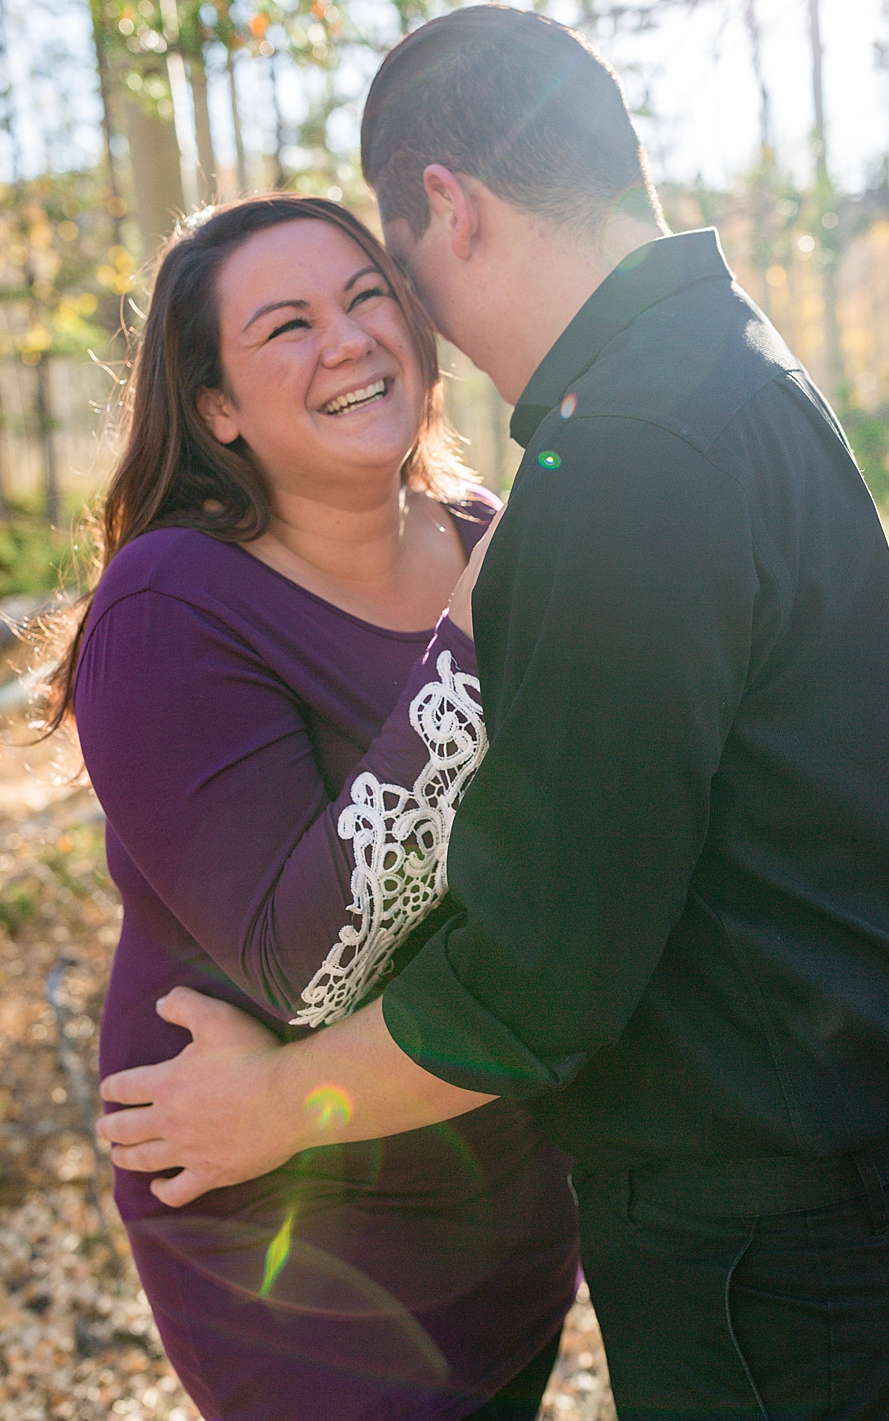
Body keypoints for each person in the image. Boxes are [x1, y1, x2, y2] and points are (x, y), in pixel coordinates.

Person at [95, 7, 889, 1421]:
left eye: (386, 284)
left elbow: (541, 969)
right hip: (817, 1210)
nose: (397, 336)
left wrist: (279, 1102)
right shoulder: (708, 369)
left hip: (787, 1246)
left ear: (447, 213)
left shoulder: (618, 455)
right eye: (292, 323)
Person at [64, 194, 577, 1421]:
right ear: (216, 409)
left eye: (364, 298)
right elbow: (312, 967)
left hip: (493, 1168)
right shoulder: (168, 603)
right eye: (285, 325)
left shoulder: (484, 532)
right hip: (279, 1225)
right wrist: (472, 636)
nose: (346, 339)